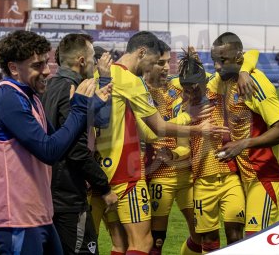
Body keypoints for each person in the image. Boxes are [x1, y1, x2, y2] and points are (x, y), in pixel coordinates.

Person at [91, 31, 228, 255]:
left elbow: (147, 132)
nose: (157, 67)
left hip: (95, 171)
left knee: (118, 244)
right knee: (143, 243)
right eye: (156, 62)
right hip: (125, 173)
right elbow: (157, 129)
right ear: (142, 53)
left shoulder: (102, 75)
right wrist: (196, 127)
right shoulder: (130, 81)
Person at [0, 30, 111, 254]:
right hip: (16, 219)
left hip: (38, 214)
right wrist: (79, 108)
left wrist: (91, 106)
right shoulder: (8, 98)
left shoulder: (31, 98)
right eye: (38, 65)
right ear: (14, 68)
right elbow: (48, 151)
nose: (47, 70)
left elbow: (60, 143)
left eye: (46, 63)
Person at [41, 34, 118, 255]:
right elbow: (76, 150)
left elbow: (96, 121)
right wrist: (103, 187)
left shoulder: (51, 86)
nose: (95, 64)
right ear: (82, 60)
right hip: (68, 195)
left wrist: (100, 88)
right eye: (93, 58)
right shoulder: (72, 91)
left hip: (51, 191)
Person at [209, 32, 279, 237]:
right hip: (243, 175)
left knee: (255, 239)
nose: (217, 66)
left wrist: (243, 144)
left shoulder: (256, 84)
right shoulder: (224, 80)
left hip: (266, 174)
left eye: (223, 60)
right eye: (214, 61)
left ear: (238, 57)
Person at [178, 48, 246, 253]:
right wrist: (175, 154)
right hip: (201, 181)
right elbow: (182, 144)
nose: (190, 93)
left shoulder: (217, 89)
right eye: (186, 90)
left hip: (230, 176)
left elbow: (249, 55)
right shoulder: (185, 108)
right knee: (208, 239)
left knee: (235, 235)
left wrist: (243, 72)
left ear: (203, 82)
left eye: (193, 88)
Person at [140, 41, 202, 255]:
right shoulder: (140, 92)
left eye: (168, 62)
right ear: (147, 63)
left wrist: (196, 64)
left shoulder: (177, 87)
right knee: (156, 241)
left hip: (187, 174)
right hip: (160, 176)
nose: (167, 67)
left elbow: (199, 82)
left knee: (201, 235)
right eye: (160, 63)